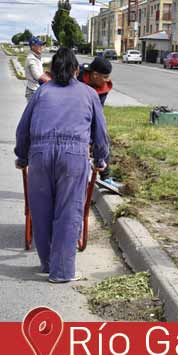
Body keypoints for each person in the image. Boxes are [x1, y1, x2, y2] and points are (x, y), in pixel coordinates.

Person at [14, 48, 110, 283]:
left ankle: (47, 264)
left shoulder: (41, 93)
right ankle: (62, 271)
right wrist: (101, 159)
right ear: (77, 70)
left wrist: (22, 156)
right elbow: (100, 133)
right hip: (73, 155)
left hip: (40, 155)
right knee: (68, 212)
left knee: (42, 210)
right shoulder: (89, 94)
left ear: (52, 71)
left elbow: (23, 128)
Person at [78, 56, 118, 188]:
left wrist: (93, 140)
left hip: (92, 115)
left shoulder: (103, 88)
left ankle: (105, 176)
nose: (108, 80)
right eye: (105, 76)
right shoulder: (77, 79)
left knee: (103, 139)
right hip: (74, 116)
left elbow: (97, 114)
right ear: (95, 75)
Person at [24, 37, 51, 102]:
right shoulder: (31, 59)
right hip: (33, 92)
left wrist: (58, 58)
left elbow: (46, 60)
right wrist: (52, 80)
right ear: (33, 47)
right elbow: (38, 77)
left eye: (42, 45)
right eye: (39, 45)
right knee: (35, 112)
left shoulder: (36, 57)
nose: (42, 47)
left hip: (37, 89)